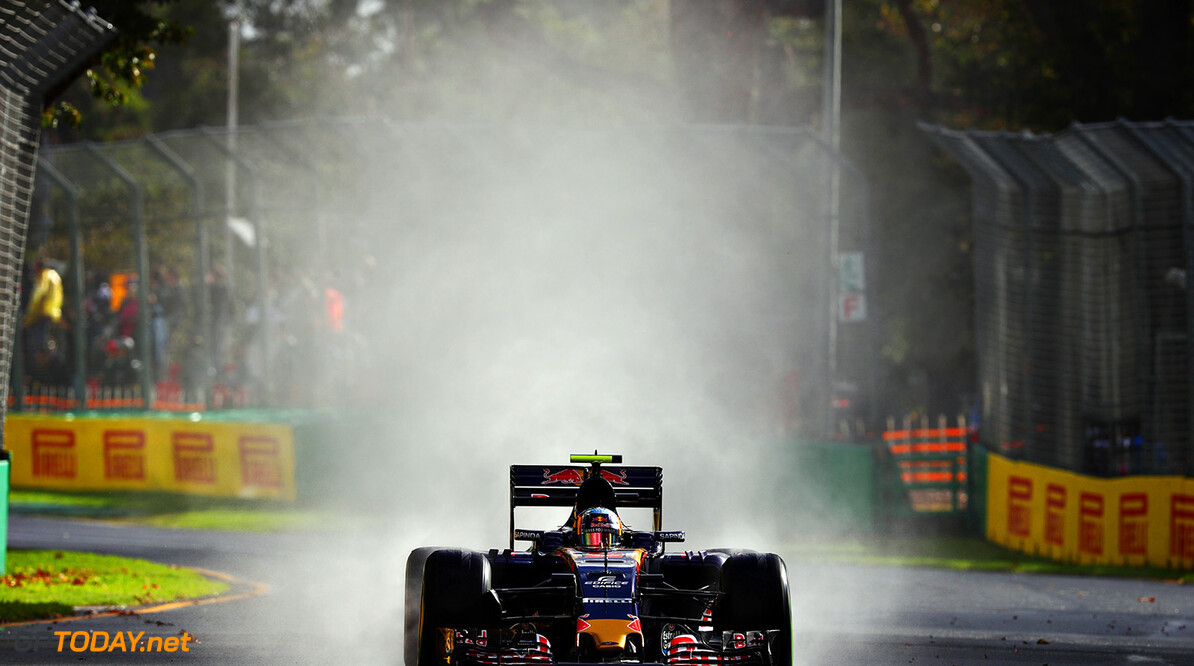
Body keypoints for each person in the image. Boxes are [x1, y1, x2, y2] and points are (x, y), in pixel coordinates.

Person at [23, 259, 63, 368]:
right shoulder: (56, 276)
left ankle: (37, 372)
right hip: (54, 314)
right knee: (49, 344)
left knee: (37, 347)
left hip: (41, 315)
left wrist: (27, 317)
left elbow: (37, 295)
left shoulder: (45, 275)